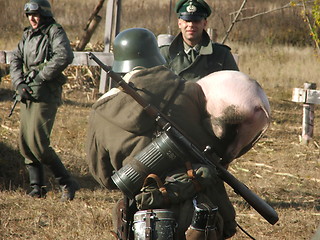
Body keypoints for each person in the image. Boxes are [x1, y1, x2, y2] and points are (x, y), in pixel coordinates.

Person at [86, 28, 237, 239]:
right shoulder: (191, 92)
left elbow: (103, 177)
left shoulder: (100, 111)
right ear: (155, 56)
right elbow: (216, 149)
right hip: (197, 214)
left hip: (140, 216)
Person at [10, 0, 79, 201]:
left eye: (36, 14)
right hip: (27, 93)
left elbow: (64, 55)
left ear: (45, 14)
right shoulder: (27, 35)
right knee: (25, 143)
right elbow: (16, 59)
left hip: (46, 93)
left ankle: (67, 182)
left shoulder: (54, 32)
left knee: (38, 143)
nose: (32, 19)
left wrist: (40, 77)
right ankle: (37, 187)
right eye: (29, 15)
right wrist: (19, 83)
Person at [160, 0, 239, 82]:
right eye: (187, 20)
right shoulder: (165, 53)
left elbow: (235, 86)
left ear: (204, 23)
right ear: (179, 23)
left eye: (196, 21)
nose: (190, 25)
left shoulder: (221, 54)